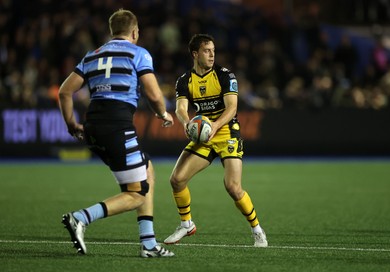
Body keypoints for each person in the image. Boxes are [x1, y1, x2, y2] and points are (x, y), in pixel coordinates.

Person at [58, 9, 175, 257]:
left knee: (147, 171)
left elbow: (64, 92)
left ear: (113, 32)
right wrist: (163, 113)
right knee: (136, 194)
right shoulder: (138, 53)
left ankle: (148, 244)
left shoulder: (92, 55)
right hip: (116, 126)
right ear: (134, 32)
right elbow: (154, 94)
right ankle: (80, 218)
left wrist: (71, 124)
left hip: (93, 126)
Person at [163, 34, 268, 247]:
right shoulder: (184, 80)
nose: (212, 55)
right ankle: (186, 224)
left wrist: (214, 126)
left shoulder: (224, 75)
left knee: (232, 186)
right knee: (177, 179)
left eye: (213, 50)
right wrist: (186, 123)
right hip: (204, 134)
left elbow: (232, 108)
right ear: (195, 54)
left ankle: (257, 229)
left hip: (227, 132)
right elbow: (181, 109)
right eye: (206, 51)